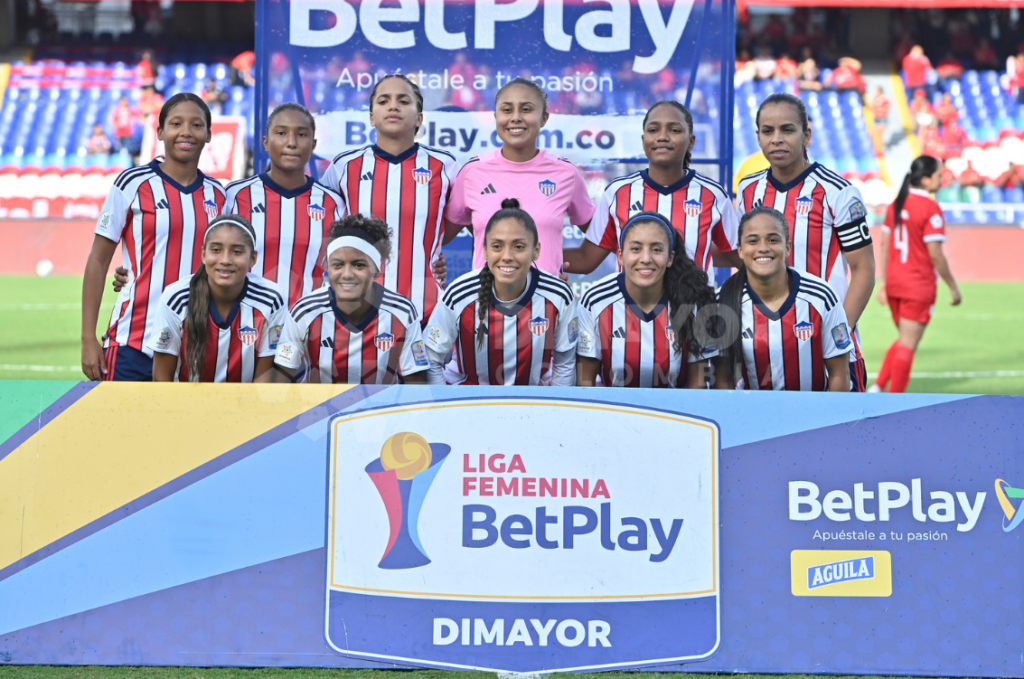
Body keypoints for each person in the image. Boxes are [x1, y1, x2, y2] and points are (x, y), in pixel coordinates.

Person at [81, 93, 225, 381]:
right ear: (160, 132)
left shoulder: (220, 195)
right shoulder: (132, 183)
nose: (186, 131)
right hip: (132, 343)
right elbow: (98, 259)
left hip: (194, 348)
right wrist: (87, 338)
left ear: (209, 134)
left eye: (197, 125)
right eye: (176, 123)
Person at [735, 92, 874, 391]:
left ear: (806, 135)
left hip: (829, 356)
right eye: (768, 131)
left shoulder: (838, 192)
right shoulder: (747, 190)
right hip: (764, 351)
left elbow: (864, 270)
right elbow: (744, 264)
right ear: (758, 137)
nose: (777, 139)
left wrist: (835, 336)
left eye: (787, 129)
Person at [320, 74, 456, 324]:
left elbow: (462, 219)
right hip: (358, 311)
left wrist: (430, 252)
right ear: (371, 117)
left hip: (426, 312)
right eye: (383, 101)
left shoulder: (445, 166)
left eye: (403, 101)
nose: (393, 106)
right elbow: (322, 231)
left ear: (419, 118)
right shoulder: (343, 167)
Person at [562, 100, 739, 280]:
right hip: (628, 300)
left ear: (691, 142)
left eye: (674, 130)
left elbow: (741, 257)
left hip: (695, 299)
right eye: (653, 130)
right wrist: (543, 260)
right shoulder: (617, 193)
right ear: (643, 140)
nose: (662, 137)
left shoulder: (713, 196)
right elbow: (586, 259)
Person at [444, 77, 595, 277]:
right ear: (496, 116)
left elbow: (602, 237)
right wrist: (435, 265)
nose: (515, 117)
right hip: (485, 295)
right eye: (507, 110)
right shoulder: (472, 172)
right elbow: (437, 238)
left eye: (526, 109)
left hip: (546, 296)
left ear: (544, 118)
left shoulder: (565, 173)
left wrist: (553, 263)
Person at [423, 199, 577, 386]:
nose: (507, 256)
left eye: (519, 247)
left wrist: (552, 403)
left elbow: (565, 364)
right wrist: (444, 401)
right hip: (467, 400)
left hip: (532, 401)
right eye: (497, 246)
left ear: (536, 251)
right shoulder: (458, 294)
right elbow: (431, 358)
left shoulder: (559, 296)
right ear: (485, 250)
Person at [274, 214, 429, 385]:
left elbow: (416, 381)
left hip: (382, 402)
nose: (347, 274)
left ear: (377, 270)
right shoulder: (305, 311)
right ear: (328, 269)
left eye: (359, 265)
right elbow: (280, 380)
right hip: (318, 403)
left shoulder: (402, 312)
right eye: (337, 265)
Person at [713, 206, 852, 391]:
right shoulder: (721, 303)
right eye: (753, 241)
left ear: (787, 248)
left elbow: (839, 375)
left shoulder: (821, 297)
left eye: (773, 240)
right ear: (740, 250)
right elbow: (723, 381)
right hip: (751, 409)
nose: (763, 248)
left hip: (814, 409)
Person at [576, 212, 717, 388]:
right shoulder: (595, 301)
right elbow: (585, 384)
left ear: (670, 258)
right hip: (611, 405)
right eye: (636, 249)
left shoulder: (692, 303)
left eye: (656, 250)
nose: (646, 259)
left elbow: (698, 387)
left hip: (675, 406)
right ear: (620, 256)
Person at [224, 103, 344, 307]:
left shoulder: (333, 205)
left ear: (313, 145)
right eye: (281, 133)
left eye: (301, 135)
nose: (291, 143)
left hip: (307, 322)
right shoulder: (235, 196)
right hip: (246, 321)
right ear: (265, 143)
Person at [149, 216, 287, 382]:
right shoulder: (176, 298)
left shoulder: (270, 299)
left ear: (253, 258)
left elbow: (264, 381)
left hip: (247, 398)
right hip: (185, 398)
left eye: (237, 252)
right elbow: (162, 378)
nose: (225, 260)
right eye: (216, 250)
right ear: (203, 254)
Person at [872, 156, 961, 393]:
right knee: (908, 343)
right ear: (926, 179)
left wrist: (884, 283)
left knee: (904, 339)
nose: (941, 179)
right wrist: (953, 286)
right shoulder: (930, 209)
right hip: (917, 285)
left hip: (895, 283)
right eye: (938, 175)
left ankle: (878, 387)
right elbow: (936, 254)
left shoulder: (896, 204)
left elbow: (884, 245)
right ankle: (893, 402)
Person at [869, 87, 891, 156]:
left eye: (876, 91)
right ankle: (876, 149)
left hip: (882, 118)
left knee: (880, 135)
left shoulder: (885, 99)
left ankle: (881, 150)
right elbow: (871, 107)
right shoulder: (874, 99)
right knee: (873, 134)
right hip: (876, 118)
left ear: (880, 91)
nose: (875, 92)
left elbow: (887, 108)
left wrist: (881, 111)